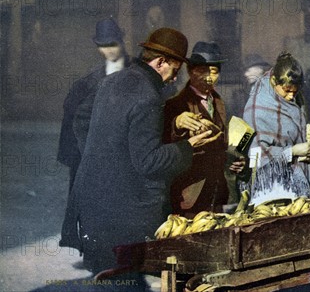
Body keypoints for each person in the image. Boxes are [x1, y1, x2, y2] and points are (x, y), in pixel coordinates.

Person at [64, 28, 221, 282]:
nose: (174, 79)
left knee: (108, 280)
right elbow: (149, 162)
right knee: (125, 283)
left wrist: (103, 155)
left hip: (91, 206)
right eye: (175, 70)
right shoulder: (148, 95)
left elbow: (83, 119)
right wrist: (188, 146)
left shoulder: (114, 80)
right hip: (120, 219)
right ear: (160, 62)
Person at [57, 18, 130, 251]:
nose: (108, 50)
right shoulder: (89, 82)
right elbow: (74, 118)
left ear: (121, 41)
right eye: (102, 45)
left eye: (113, 43)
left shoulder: (137, 72)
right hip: (94, 152)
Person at [163, 41, 245, 218]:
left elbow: (224, 144)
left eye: (214, 72)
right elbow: (165, 144)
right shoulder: (175, 105)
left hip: (217, 192)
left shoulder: (219, 102)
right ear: (190, 71)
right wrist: (176, 123)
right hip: (189, 196)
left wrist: (234, 159)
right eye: (202, 71)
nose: (208, 77)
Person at [243, 52, 310, 205]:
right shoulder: (258, 106)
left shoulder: (295, 97)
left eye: (295, 92)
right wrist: (292, 151)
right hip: (273, 189)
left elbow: (297, 131)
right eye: (287, 90)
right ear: (273, 80)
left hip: (300, 179)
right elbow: (256, 154)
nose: (291, 96)